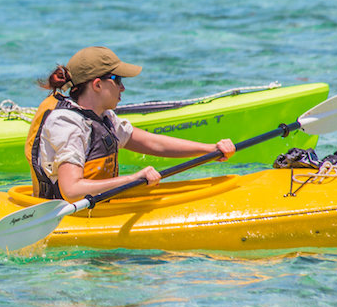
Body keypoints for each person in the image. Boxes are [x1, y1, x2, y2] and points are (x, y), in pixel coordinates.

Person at [25, 46, 236, 202]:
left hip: (100, 205)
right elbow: (71, 189)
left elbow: (153, 144)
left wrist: (209, 149)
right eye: (117, 80)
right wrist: (133, 178)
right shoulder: (68, 124)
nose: (123, 88)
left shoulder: (102, 116)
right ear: (97, 85)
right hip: (68, 215)